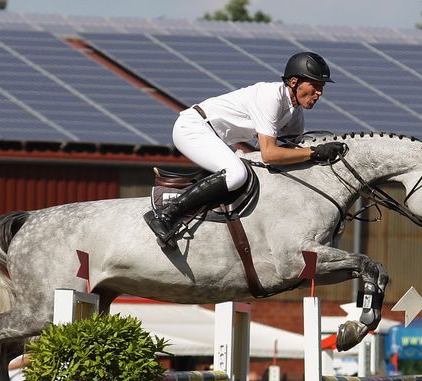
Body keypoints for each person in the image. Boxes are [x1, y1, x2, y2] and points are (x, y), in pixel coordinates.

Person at [145, 51, 342, 246]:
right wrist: (315, 152)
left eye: (322, 87)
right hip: (192, 128)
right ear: (293, 82)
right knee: (237, 174)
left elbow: (290, 153)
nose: (319, 93)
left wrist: (316, 155)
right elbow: (270, 154)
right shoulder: (271, 97)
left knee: (249, 173)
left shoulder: (294, 113)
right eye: (315, 86)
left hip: (214, 136)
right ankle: (166, 215)